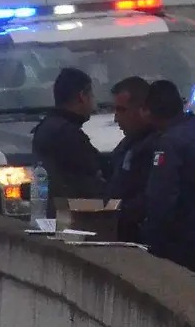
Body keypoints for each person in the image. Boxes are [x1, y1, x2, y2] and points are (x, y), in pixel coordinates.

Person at [138, 78, 195, 281]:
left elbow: (161, 198)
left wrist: (148, 236)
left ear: (151, 112)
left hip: (181, 248)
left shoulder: (169, 143)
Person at [29, 67, 107, 206]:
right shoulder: (67, 134)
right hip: (70, 217)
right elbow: (92, 177)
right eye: (92, 95)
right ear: (82, 96)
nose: (94, 102)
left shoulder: (49, 127)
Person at [107, 76, 158, 241]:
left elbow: (148, 199)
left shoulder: (157, 146)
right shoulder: (129, 142)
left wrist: (118, 212)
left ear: (143, 109)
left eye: (122, 110)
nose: (116, 118)